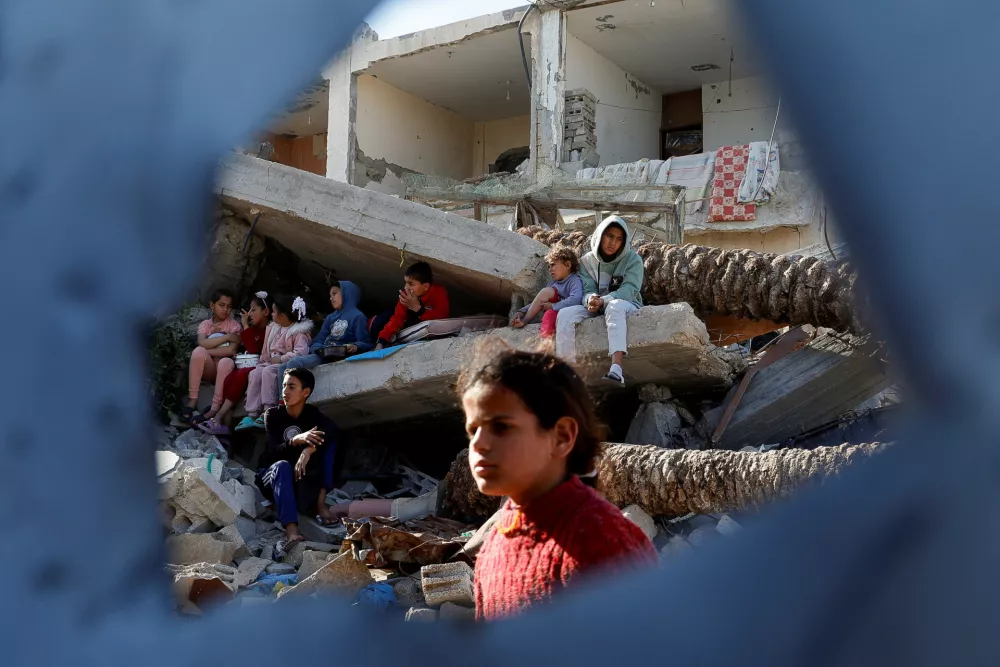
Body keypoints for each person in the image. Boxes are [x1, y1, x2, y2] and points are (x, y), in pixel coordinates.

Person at [459, 346, 657, 621]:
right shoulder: (495, 541)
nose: (478, 444)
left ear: (561, 436)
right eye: (473, 430)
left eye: (501, 426)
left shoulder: (602, 542)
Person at [255, 368, 341, 548]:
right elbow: (272, 453)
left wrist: (308, 450)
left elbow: (333, 432)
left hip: (300, 481)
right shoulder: (273, 415)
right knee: (282, 466)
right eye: (284, 386)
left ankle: (320, 503)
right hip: (272, 478)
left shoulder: (312, 415)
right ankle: (291, 531)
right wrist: (295, 441)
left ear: (305, 392)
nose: (285, 391)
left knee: (330, 443)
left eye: (291, 387)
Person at [554, 216, 644, 384]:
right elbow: (587, 290)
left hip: (626, 304)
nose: (613, 243)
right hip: (598, 306)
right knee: (565, 314)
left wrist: (604, 301)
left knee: (614, 306)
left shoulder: (633, 260)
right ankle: (566, 372)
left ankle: (616, 369)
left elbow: (629, 290)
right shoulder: (587, 261)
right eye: (609, 236)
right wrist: (590, 300)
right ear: (600, 235)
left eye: (619, 239)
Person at [196, 291, 270, 435]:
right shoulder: (254, 329)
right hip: (252, 364)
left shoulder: (270, 328)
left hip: (264, 366)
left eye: (253, 310)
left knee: (241, 374)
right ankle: (224, 427)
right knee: (230, 378)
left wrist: (245, 326)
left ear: (266, 311)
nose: (249, 314)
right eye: (249, 310)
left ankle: (218, 417)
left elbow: (254, 349)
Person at [237, 295, 312, 431]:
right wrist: (263, 361)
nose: (271, 314)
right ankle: (251, 413)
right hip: (269, 362)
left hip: (282, 364)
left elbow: (301, 353)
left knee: (268, 372)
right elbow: (266, 350)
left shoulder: (299, 332)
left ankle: (268, 409)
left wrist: (282, 359)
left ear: (282, 316)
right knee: (255, 373)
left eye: (273, 312)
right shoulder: (272, 329)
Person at [282, 281, 372, 376]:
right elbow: (317, 341)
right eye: (330, 295)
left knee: (294, 363)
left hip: (341, 356)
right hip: (324, 355)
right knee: (282, 368)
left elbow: (366, 343)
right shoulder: (330, 317)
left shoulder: (358, 317)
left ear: (347, 293)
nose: (331, 298)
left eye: (334, 293)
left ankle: (290, 391)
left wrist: (354, 346)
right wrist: (319, 349)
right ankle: (284, 391)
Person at [182, 288, 241, 425]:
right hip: (210, 369)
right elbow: (202, 342)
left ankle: (214, 408)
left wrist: (208, 348)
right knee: (198, 352)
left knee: (225, 361)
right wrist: (226, 337)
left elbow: (231, 350)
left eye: (229, 307)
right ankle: (193, 400)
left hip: (225, 371)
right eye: (221, 305)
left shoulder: (234, 326)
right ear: (212, 305)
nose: (225, 309)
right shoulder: (205, 325)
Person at [370, 261, 450, 349]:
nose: (406, 287)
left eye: (411, 284)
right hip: (409, 328)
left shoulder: (439, 292)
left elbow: (442, 319)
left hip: (429, 334)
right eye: (406, 282)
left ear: (426, 287)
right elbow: (397, 319)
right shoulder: (406, 295)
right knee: (382, 320)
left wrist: (418, 309)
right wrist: (381, 342)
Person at [511, 246, 583, 339]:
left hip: (568, 313)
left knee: (548, 303)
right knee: (548, 313)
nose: (550, 269)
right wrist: (521, 311)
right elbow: (538, 302)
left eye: (553, 265)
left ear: (568, 265)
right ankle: (545, 345)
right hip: (556, 312)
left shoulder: (574, 280)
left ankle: (525, 321)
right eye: (549, 266)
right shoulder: (553, 283)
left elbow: (576, 299)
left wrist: (553, 306)